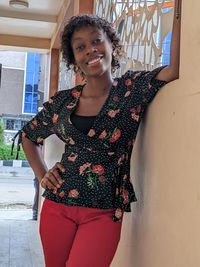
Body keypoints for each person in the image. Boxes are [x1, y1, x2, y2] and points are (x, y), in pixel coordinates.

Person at [14, 1, 181, 266]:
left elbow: (172, 70)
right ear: (74, 58)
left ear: (111, 46)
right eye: (80, 47)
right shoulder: (63, 102)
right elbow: (28, 135)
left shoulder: (131, 89)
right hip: (58, 206)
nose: (90, 50)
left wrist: (180, 9)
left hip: (103, 212)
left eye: (96, 41)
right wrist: (43, 174)